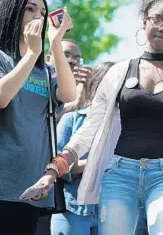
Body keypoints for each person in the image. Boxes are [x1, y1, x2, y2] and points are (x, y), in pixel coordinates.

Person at [27, 0, 163, 235]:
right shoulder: (118, 72)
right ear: (144, 21)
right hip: (120, 174)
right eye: (157, 18)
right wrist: (52, 172)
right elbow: (88, 131)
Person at [0, 0, 76, 235]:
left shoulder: (44, 71)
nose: (38, 16)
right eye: (30, 9)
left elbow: (69, 95)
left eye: (43, 11)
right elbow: (0, 96)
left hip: (33, 183)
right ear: (11, 13)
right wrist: (33, 53)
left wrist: (55, 44)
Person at [51, 61, 114, 235]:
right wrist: (95, 161)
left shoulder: (128, 127)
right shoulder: (71, 120)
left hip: (112, 211)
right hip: (73, 208)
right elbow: (55, 166)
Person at [46, 39, 92, 119]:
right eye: (65, 55)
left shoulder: (83, 90)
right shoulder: (37, 81)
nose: (73, 61)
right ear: (48, 59)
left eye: (77, 58)